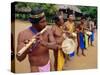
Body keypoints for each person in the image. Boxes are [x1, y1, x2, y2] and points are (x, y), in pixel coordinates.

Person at [16, 7, 59, 72]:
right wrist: (27, 48)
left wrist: (43, 43)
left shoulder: (48, 31)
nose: (45, 24)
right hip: (35, 69)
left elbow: (55, 46)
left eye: (45, 20)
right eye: (42, 22)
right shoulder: (23, 34)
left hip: (48, 65)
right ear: (34, 23)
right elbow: (19, 58)